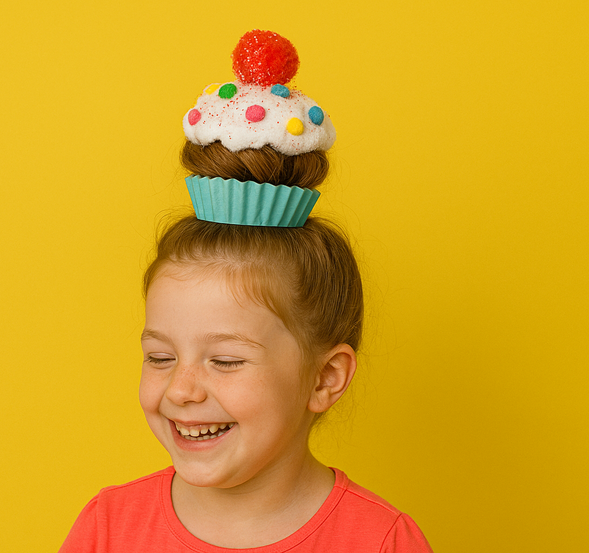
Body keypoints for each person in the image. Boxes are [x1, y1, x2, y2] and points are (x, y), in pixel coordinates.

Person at [59, 30, 433, 552]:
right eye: (160, 356)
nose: (181, 390)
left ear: (324, 377)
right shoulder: (107, 528)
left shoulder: (379, 541)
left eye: (227, 361)